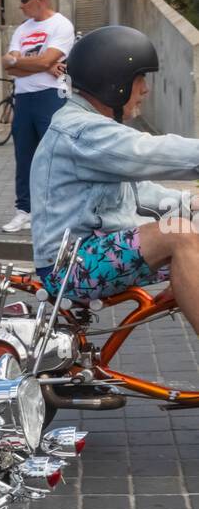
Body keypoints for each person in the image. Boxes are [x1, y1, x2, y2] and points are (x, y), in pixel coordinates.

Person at [31, 26, 199, 330]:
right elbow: (148, 152)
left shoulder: (92, 128)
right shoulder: (81, 131)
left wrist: (191, 202)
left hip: (98, 253)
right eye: (140, 79)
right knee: (179, 234)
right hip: (71, 267)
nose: (145, 90)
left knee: (190, 225)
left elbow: (139, 193)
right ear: (115, 82)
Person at [2, 0, 75, 233]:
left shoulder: (61, 25)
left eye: (25, 0)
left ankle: (59, 211)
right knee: (24, 157)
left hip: (51, 96)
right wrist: (32, 64)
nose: (20, 6)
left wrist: (22, 62)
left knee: (56, 155)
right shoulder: (21, 29)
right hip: (24, 98)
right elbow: (7, 64)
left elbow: (46, 62)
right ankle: (25, 211)